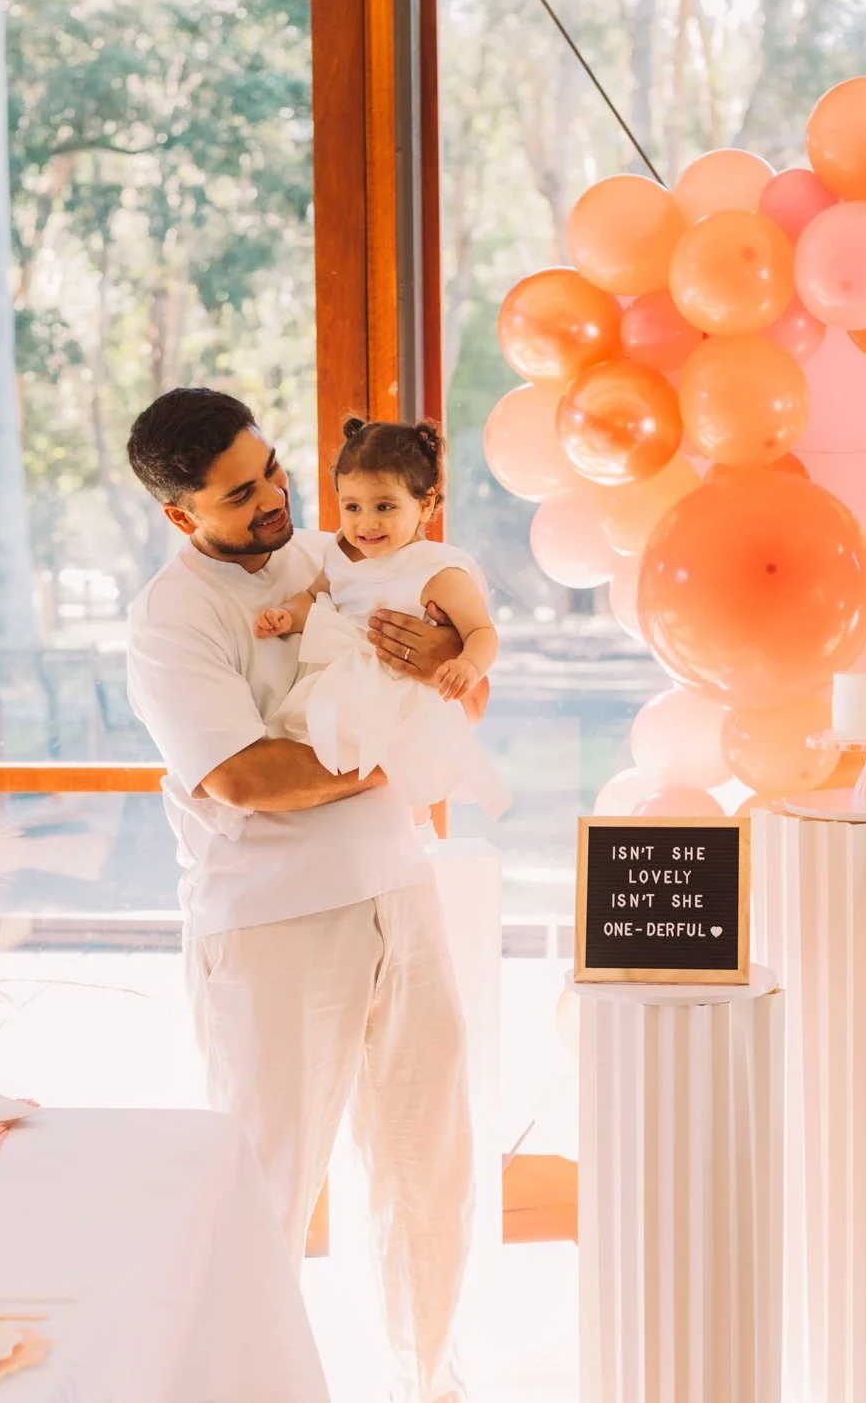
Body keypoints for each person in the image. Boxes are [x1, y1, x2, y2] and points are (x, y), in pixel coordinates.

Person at [124, 387, 481, 1403]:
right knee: (266, 1189)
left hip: (398, 893)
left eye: (274, 468)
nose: (276, 497)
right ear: (182, 516)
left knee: (429, 1173)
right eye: (240, 495)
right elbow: (248, 778)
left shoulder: (348, 550)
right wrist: (390, 750)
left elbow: (463, 686)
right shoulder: (172, 618)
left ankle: (431, 1386)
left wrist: (451, 664)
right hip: (273, 926)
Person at [255, 415, 509, 819]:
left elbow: (482, 631)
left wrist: (467, 665)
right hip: (342, 679)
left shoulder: (437, 571)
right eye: (352, 506)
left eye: (385, 507)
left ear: (425, 505)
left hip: (401, 690)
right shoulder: (338, 552)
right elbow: (317, 595)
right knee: (315, 755)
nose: (366, 523)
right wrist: (287, 616)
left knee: (395, 790)